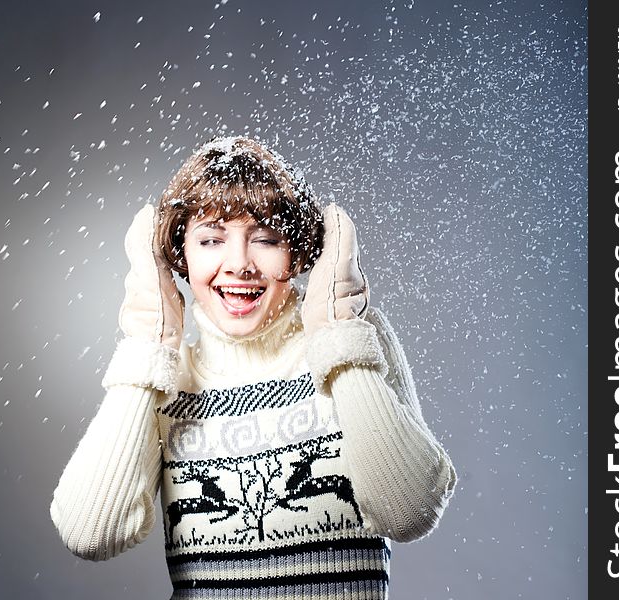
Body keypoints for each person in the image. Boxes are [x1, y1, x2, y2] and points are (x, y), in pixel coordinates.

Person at [50, 136, 457, 599]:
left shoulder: (354, 345)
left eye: (266, 238)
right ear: (180, 257)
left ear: (299, 254)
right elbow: (90, 533)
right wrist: (148, 344)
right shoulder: (164, 379)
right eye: (210, 239)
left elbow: (409, 512)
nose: (240, 264)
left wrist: (337, 337)